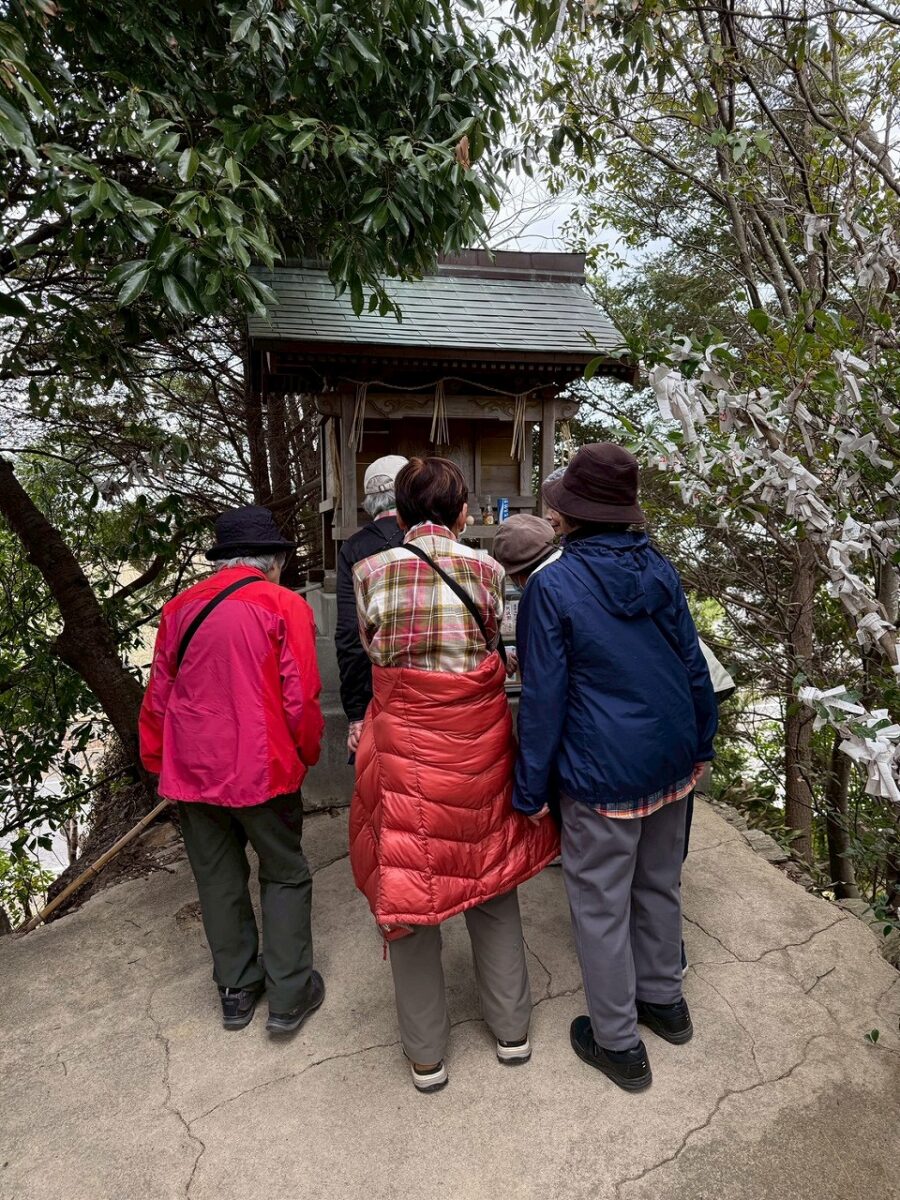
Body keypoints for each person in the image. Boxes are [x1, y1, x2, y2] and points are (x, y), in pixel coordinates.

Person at [350, 457, 559, 1093]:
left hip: (404, 746)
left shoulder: (369, 571)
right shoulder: (489, 570)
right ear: (464, 513)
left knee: (410, 888)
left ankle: (426, 1058)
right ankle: (512, 1032)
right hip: (479, 743)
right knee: (489, 874)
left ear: (400, 514)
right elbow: (494, 640)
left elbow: (371, 647)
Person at [513, 444, 717, 1092]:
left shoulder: (551, 587)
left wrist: (529, 789)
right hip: (670, 755)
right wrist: (702, 744)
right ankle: (665, 1003)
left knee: (600, 905)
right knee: (659, 884)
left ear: (570, 514)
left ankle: (618, 1043)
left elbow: (543, 700)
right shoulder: (659, 568)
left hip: (602, 768)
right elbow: (692, 665)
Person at [139, 505, 325, 1035]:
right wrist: (307, 753)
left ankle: (236, 991)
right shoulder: (284, 605)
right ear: (273, 561)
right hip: (263, 770)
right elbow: (301, 698)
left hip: (192, 769)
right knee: (284, 873)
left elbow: (159, 696)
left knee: (217, 878)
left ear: (223, 560)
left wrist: (157, 760)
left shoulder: (179, 609)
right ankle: (289, 996)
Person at [335, 455, 407, 757]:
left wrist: (355, 712)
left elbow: (349, 632)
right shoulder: (424, 539)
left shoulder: (353, 547)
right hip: (431, 689)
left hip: (375, 687)